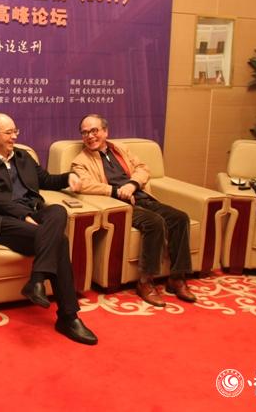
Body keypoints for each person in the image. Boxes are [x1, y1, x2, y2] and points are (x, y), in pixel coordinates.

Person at [0, 112, 98, 345]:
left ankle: (36, 281)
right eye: (9, 133)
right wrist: (23, 215)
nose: (14, 136)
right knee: (59, 241)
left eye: (15, 131)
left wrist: (69, 177)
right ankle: (68, 317)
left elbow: (45, 180)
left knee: (58, 210)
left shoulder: (23, 156)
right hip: (0, 220)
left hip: (31, 213)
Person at [71, 114, 197, 307]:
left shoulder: (121, 149)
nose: (90, 136)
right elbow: (84, 184)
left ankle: (177, 278)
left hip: (141, 196)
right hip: (120, 205)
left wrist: (132, 184)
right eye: (85, 132)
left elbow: (143, 168)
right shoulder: (80, 161)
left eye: (94, 131)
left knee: (180, 218)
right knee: (154, 222)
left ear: (105, 131)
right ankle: (146, 281)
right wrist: (116, 190)